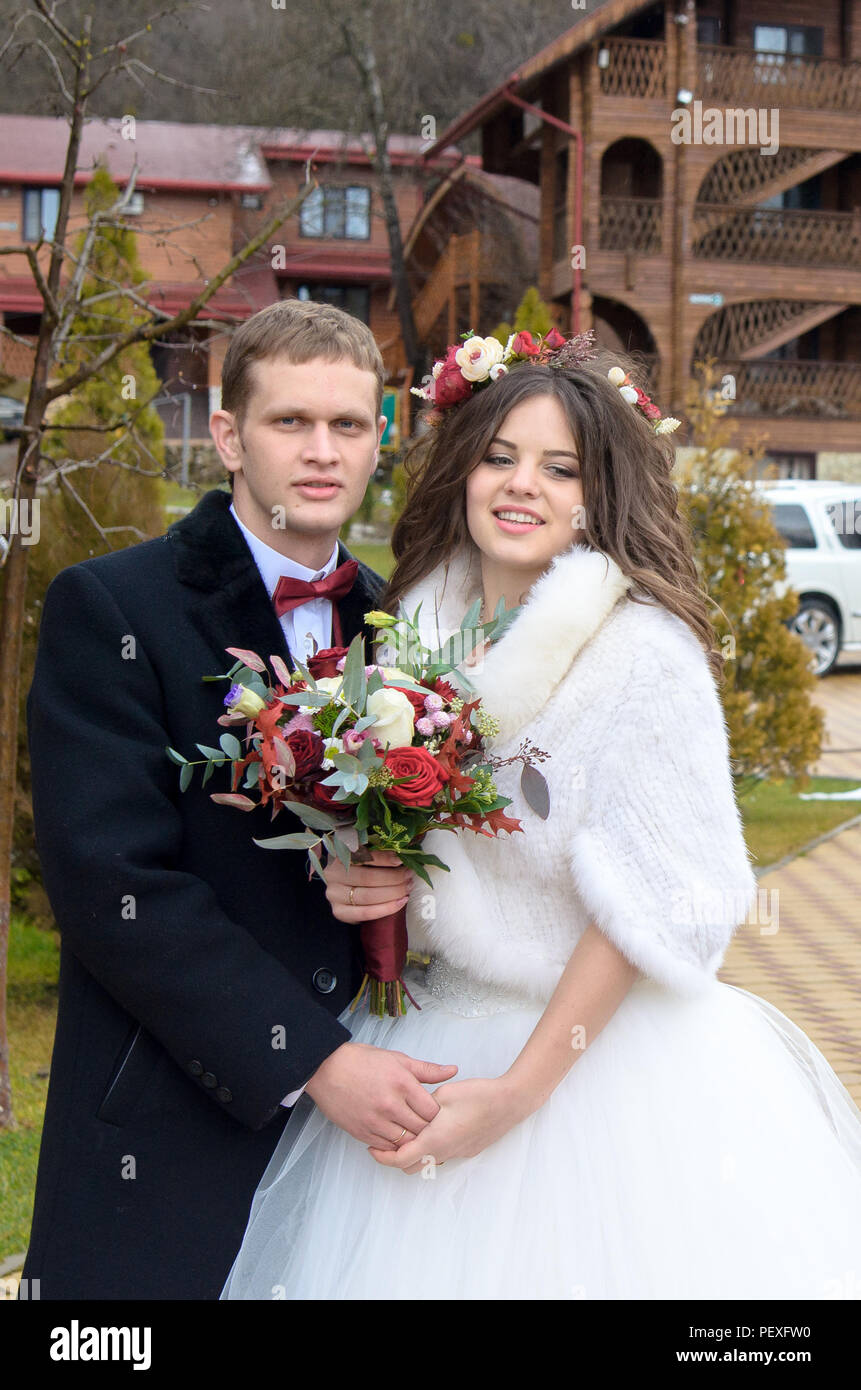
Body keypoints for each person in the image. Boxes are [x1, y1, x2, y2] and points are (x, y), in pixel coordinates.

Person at [221, 333, 861, 1300]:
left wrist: (519, 1094)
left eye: (560, 468)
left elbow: (655, 894)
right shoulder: (410, 631)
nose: (522, 486)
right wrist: (360, 870)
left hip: (592, 1069)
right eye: (500, 456)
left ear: (597, 496)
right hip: (421, 1038)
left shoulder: (644, 653)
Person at [21, 298, 459, 1300]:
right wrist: (313, 1061)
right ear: (228, 435)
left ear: (378, 438)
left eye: (348, 425)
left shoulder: (406, 628)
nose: (322, 450)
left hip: (372, 1133)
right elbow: (110, 885)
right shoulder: (114, 606)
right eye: (289, 421)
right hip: (175, 1121)